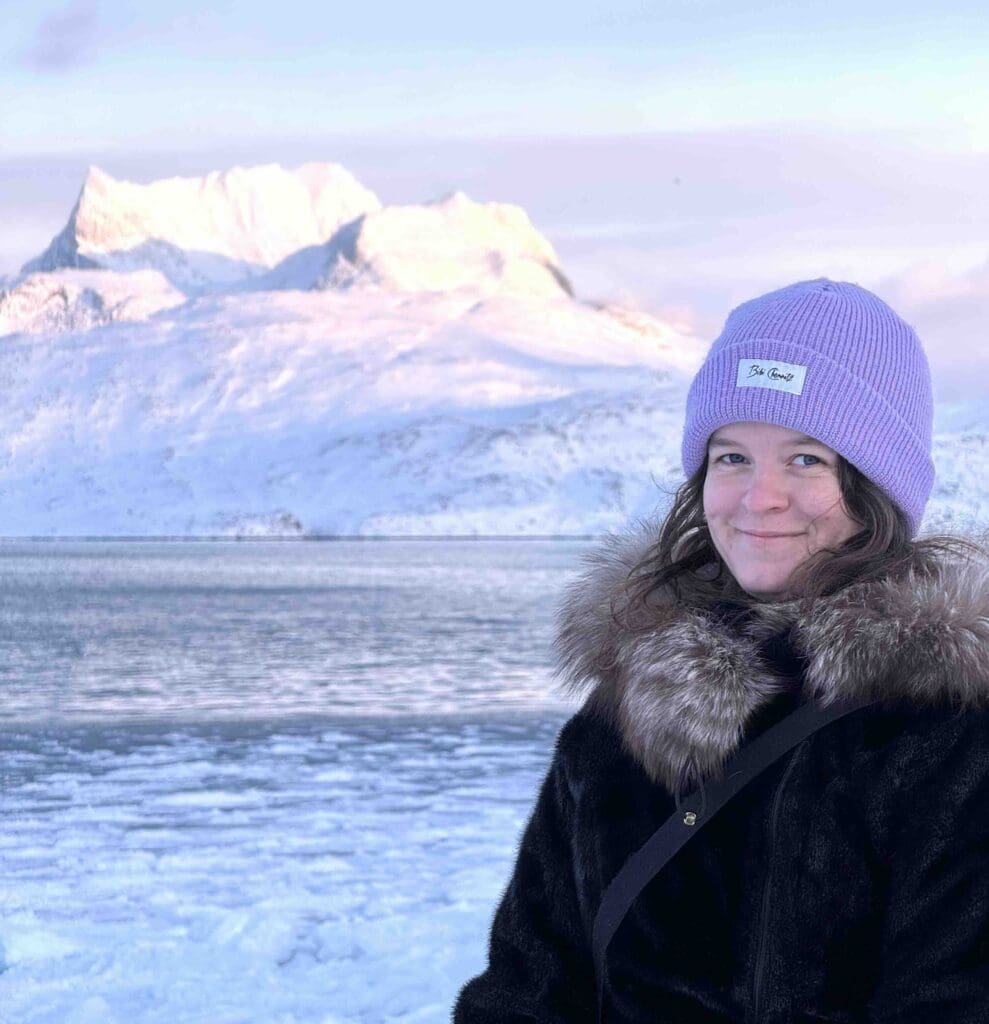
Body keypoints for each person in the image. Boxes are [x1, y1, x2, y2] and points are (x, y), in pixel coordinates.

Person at [452, 278, 989, 1023]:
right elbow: (526, 987)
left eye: (804, 460)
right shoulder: (628, 708)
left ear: (875, 488)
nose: (756, 496)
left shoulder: (949, 729)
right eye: (731, 456)